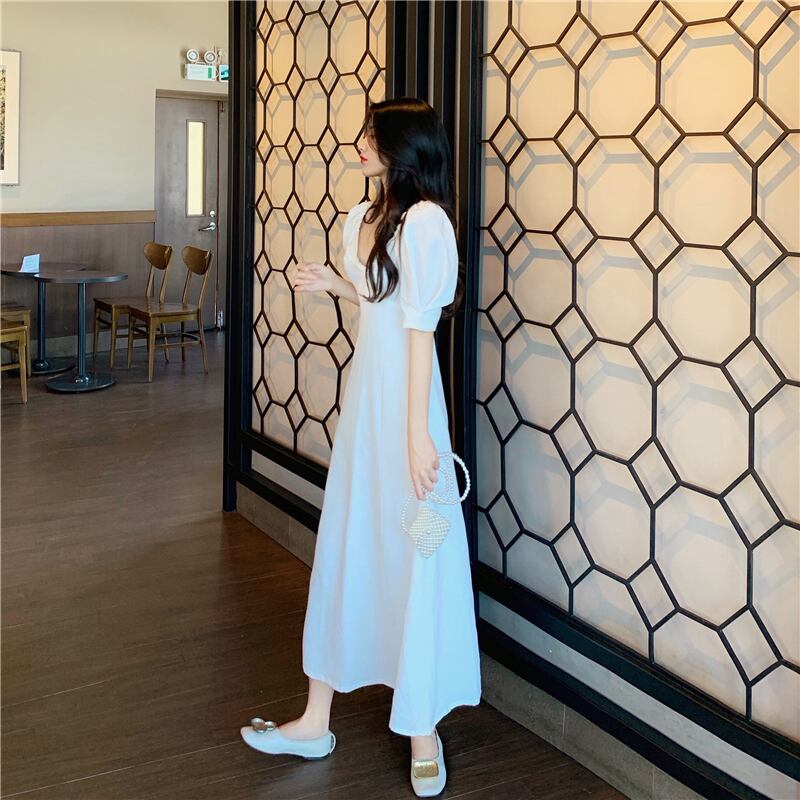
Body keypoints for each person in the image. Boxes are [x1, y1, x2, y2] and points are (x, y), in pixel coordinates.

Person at [239, 97, 482, 797]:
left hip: (408, 410)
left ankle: (423, 729)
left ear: (403, 147)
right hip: (368, 405)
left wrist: (417, 434)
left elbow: (419, 331)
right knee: (349, 542)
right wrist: (337, 285)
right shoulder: (365, 218)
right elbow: (381, 303)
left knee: (417, 549)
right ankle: (315, 719)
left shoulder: (426, 222)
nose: (361, 142)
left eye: (374, 135)